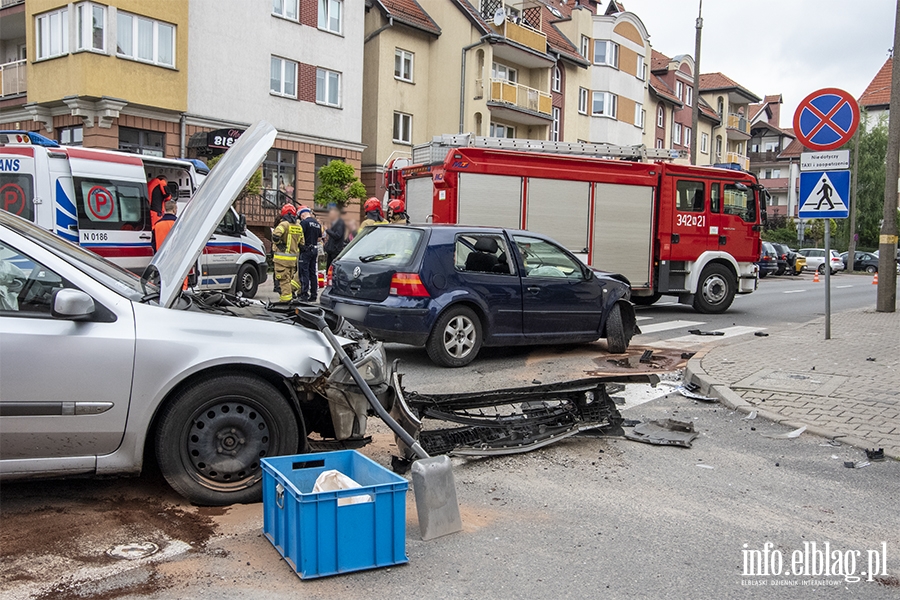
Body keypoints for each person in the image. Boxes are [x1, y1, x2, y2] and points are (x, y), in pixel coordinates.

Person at [272, 204, 303, 302]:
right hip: (292, 260)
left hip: (281, 260)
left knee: (283, 281)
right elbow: (302, 243)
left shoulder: (284, 224)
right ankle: (289, 298)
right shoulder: (299, 226)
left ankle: (285, 301)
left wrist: (280, 245)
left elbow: (275, 236)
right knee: (289, 280)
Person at [297, 206, 322, 302]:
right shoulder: (316, 223)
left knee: (304, 272)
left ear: (302, 214)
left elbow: (300, 235)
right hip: (315, 249)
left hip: (306, 249)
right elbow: (319, 238)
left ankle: (304, 294)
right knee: (313, 273)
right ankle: (314, 294)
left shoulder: (304, 223)